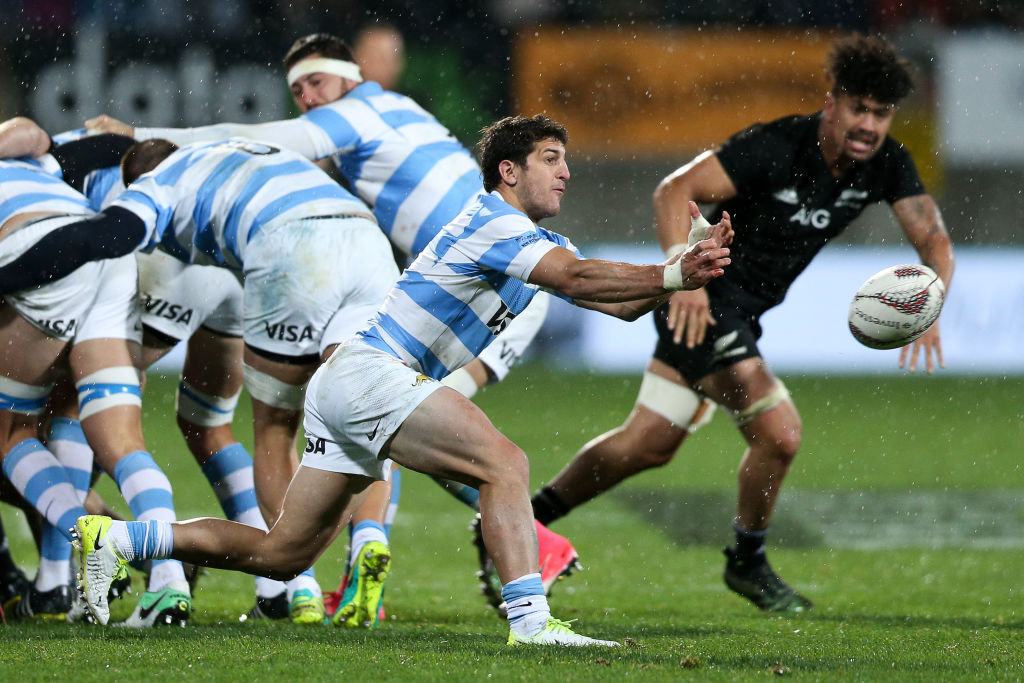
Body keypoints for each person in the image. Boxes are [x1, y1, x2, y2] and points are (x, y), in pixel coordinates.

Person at [70, 114, 732, 645]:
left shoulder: (524, 235)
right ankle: (532, 624)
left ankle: (123, 538)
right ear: (509, 171)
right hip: (373, 375)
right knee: (504, 463)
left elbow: (607, 297)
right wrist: (674, 275)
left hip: (353, 384)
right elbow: (580, 280)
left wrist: (684, 264)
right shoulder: (495, 222)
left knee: (281, 553)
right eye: (550, 159)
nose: (566, 172)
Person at [85, 33, 573, 613]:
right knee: (387, 413)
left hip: (498, 277)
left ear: (352, 76)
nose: (309, 98)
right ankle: (364, 546)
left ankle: (526, 549)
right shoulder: (378, 128)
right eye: (297, 90)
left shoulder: (362, 112)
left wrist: (137, 137)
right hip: (461, 282)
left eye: (316, 82)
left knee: (400, 423)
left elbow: (261, 138)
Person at [524, 34, 956, 613]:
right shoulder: (774, 146)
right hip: (705, 301)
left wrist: (932, 302)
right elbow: (673, 189)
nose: (869, 126)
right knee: (780, 433)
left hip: (743, 315)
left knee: (646, 444)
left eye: (881, 114)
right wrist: (682, 274)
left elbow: (932, 239)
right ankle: (746, 561)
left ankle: (521, 520)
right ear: (832, 103)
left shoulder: (885, 164)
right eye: (859, 108)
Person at [0, 136, 196, 624]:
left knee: (10, 435)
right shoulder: (35, 160)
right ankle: (167, 578)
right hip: (105, 252)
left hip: (38, 252)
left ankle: (85, 533)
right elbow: (37, 133)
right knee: (122, 442)